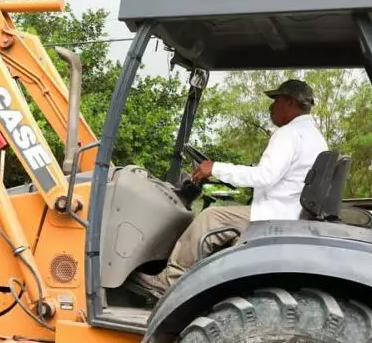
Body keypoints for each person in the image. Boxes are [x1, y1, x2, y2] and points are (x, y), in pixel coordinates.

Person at [133, 79, 328, 297]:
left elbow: (264, 176)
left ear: (290, 102)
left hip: (272, 216)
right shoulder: (315, 137)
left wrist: (215, 168)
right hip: (289, 214)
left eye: (276, 100)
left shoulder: (289, 134)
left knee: (210, 217)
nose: (271, 106)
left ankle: (170, 280)